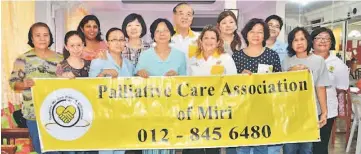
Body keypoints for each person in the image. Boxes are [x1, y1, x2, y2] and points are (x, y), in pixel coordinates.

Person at [9, 22, 63, 154]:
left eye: (45, 35)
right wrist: (24, 84)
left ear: (50, 37)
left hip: (57, 113)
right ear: (31, 38)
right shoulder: (23, 59)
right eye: (38, 35)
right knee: (43, 150)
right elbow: (13, 83)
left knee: (58, 149)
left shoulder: (60, 58)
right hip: (34, 114)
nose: (42, 38)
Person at [135, 19, 187, 154]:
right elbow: (136, 80)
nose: (161, 33)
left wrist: (177, 77)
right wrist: (139, 73)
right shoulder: (145, 55)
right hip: (149, 109)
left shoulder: (180, 56)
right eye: (157, 31)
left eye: (165, 30)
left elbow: (185, 84)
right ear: (153, 35)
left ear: (171, 33)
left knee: (169, 145)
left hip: (171, 108)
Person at [184, 26, 237, 154]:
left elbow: (234, 83)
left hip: (217, 109)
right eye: (206, 37)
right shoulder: (192, 60)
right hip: (196, 109)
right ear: (200, 41)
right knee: (193, 147)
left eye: (213, 38)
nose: (209, 40)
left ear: (218, 42)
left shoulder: (226, 59)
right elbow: (185, 84)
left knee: (212, 147)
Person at [232, 18, 282, 154]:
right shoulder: (236, 56)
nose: (255, 35)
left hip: (264, 108)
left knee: (261, 146)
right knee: (242, 146)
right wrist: (239, 77)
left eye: (260, 32)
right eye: (252, 31)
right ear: (246, 34)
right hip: (242, 108)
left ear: (265, 35)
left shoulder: (272, 55)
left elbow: (280, 82)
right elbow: (229, 85)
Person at [282, 27, 329, 154]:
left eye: (302, 39)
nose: (299, 42)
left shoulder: (318, 60)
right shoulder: (286, 61)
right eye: (295, 40)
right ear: (291, 43)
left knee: (307, 149)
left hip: (311, 112)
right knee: (289, 149)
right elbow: (281, 87)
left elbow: (321, 87)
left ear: (308, 41)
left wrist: (324, 112)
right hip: (290, 113)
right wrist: (291, 71)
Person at [90, 28, 133, 154]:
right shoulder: (98, 61)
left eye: (121, 39)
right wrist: (104, 73)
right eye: (114, 40)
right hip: (105, 114)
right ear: (107, 43)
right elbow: (90, 86)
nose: (118, 43)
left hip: (124, 114)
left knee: (121, 149)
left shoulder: (129, 64)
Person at [311, 27, 349, 154]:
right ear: (312, 41)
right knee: (304, 146)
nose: (323, 41)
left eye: (327, 38)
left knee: (320, 147)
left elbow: (341, 88)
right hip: (305, 109)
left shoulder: (338, 64)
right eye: (319, 38)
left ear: (331, 42)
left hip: (326, 112)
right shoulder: (305, 58)